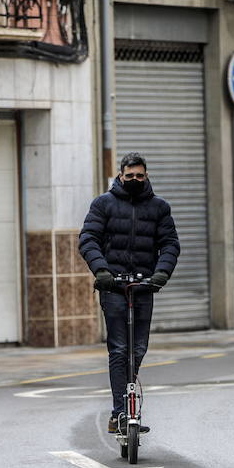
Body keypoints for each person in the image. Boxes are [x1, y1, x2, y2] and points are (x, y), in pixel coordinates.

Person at [79, 152, 180, 434]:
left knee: (138, 349)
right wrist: (101, 271)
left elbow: (170, 244)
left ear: (146, 176)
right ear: (120, 176)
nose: (134, 180)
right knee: (119, 349)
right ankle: (120, 412)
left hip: (144, 286)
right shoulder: (103, 204)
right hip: (113, 286)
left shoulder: (159, 207)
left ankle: (129, 404)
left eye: (139, 176)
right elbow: (88, 239)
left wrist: (161, 273)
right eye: (129, 176)